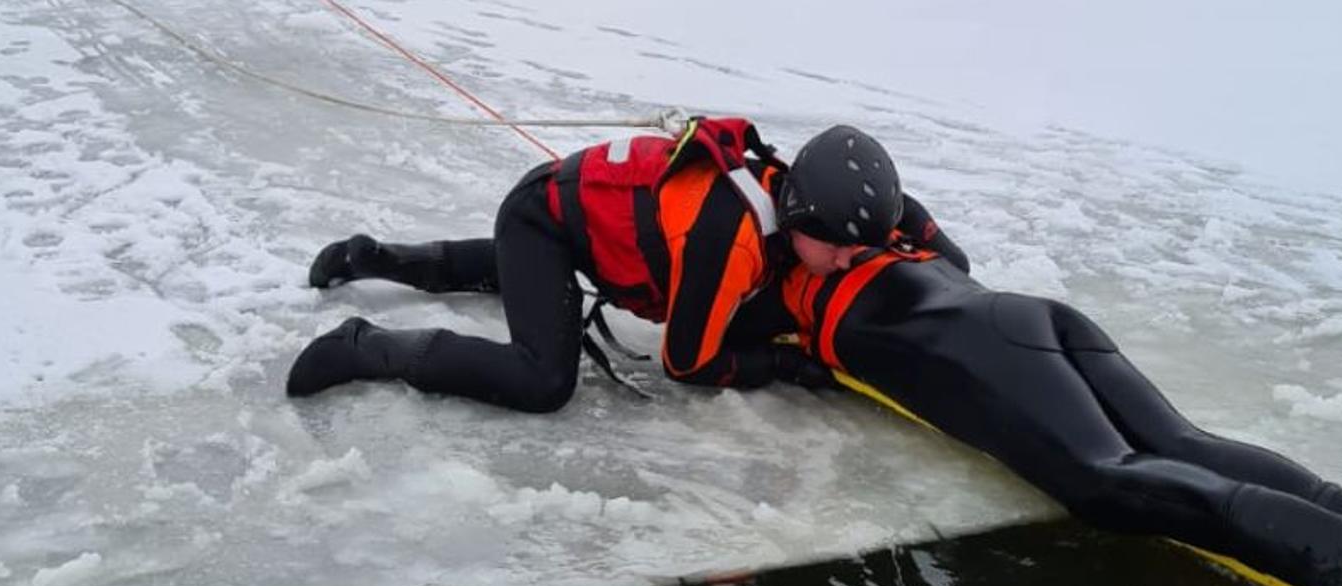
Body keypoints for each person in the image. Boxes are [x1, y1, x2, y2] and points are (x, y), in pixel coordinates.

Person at [771, 126, 1342, 586]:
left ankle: (1334, 553)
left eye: (838, 243)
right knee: (1185, 442)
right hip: (1033, 319)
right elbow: (950, 251)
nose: (835, 257)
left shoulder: (797, 279)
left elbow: (704, 353)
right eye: (829, 243)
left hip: (988, 349)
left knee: (1105, 477)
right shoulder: (904, 237)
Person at [284, 117, 968, 411]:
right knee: (543, 381)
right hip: (544, 221)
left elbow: (898, 214)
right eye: (844, 250)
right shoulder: (727, 241)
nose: (850, 262)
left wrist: (950, 266)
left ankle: (380, 258)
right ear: (801, 217)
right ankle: (365, 347)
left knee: (520, 278)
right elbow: (689, 364)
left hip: (576, 217)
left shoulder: (799, 190)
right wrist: (794, 367)